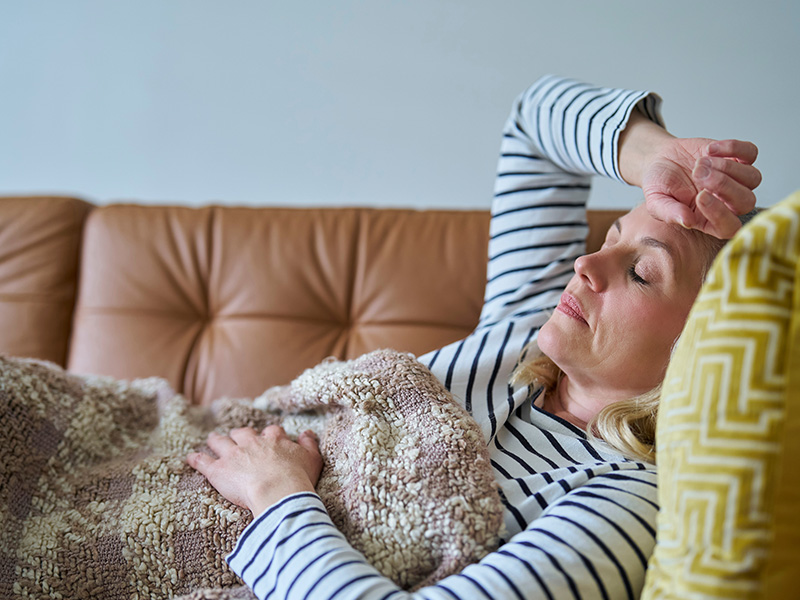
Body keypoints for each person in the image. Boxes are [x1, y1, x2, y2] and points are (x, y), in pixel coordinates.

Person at [186, 74, 761, 599]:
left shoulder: (627, 506)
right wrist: (655, 154)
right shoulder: (526, 331)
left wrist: (278, 495)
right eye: (611, 236)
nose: (589, 262)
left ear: (709, 347)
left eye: (641, 272)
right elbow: (535, 125)